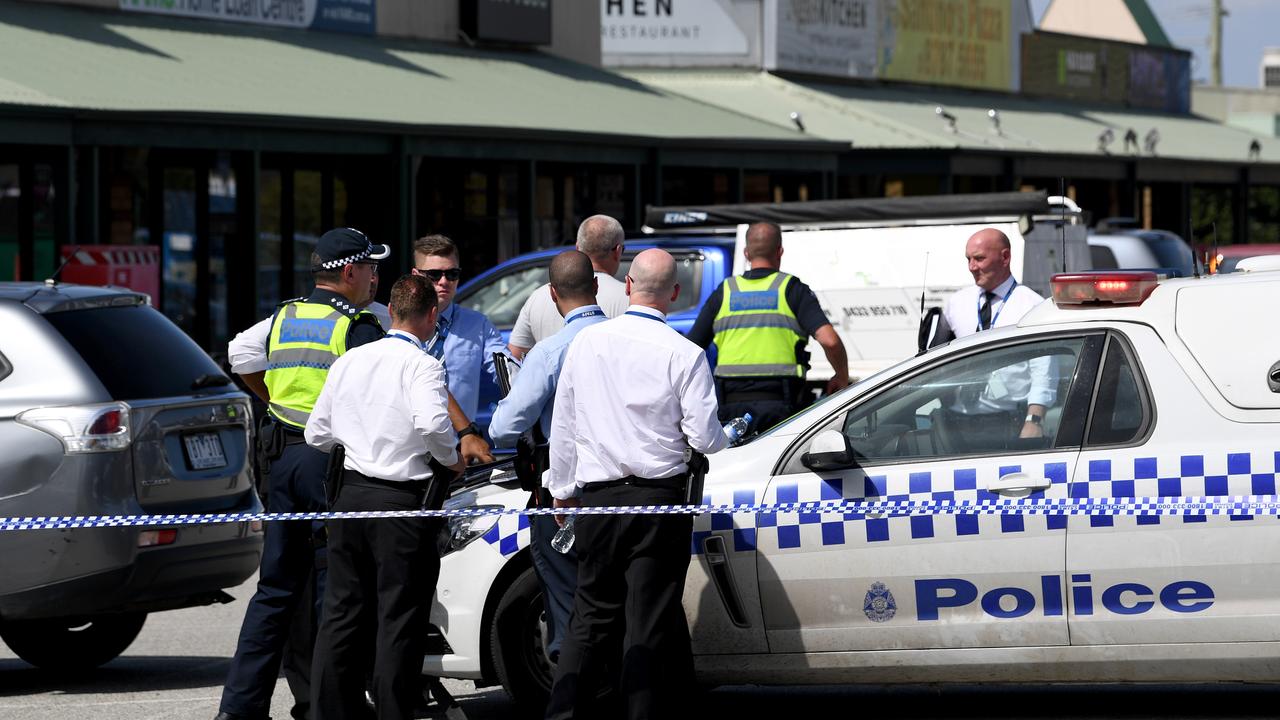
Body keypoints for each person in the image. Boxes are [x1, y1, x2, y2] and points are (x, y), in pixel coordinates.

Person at [544, 249, 728, 720]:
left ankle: (562, 714)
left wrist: (561, 489)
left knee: (589, 619)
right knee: (646, 624)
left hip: (600, 500)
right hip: (657, 502)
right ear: (674, 294)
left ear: (626, 285)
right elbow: (706, 439)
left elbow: (564, 425)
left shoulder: (586, 343)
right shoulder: (685, 353)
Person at [216, 227, 387, 720]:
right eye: (371, 268)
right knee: (335, 589)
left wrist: (275, 403)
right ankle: (330, 705)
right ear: (350, 272)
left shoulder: (285, 315)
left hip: (280, 461)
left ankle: (239, 709)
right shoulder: (356, 327)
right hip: (325, 464)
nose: (376, 278)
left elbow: (239, 356)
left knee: (275, 589)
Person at [305, 273, 465, 720]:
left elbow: (317, 433)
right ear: (432, 315)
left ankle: (328, 712)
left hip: (350, 497)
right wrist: (452, 459)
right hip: (401, 503)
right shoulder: (424, 365)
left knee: (341, 615)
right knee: (399, 619)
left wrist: (359, 437)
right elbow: (434, 425)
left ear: (390, 312)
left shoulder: (351, 361)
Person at [488, 250, 607, 664]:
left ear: (553, 295)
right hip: (631, 492)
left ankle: (574, 695)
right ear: (596, 286)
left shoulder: (549, 353)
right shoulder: (631, 341)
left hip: (563, 496)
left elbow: (503, 428)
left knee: (569, 605)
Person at [687, 221, 849, 432]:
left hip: (731, 409)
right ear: (780, 251)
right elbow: (830, 340)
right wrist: (841, 376)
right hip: (782, 406)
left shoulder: (725, 291)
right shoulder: (792, 290)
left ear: (746, 253)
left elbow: (689, 350)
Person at [940, 228, 1052, 442]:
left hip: (1008, 423)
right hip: (954, 421)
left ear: (1005, 257)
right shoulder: (957, 303)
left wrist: (1034, 421)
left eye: (979, 259)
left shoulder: (1032, 305)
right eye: (968, 259)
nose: (972, 267)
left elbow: (1044, 371)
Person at [411, 234, 508, 463]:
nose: (444, 282)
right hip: (410, 452)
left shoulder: (479, 325)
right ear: (416, 276)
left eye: (452, 274)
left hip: (461, 451)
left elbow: (507, 374)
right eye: (434, 275)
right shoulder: (395, 323)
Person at [507, 215, 630, 360]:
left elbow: (515, 356)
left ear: (578, 247)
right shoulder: (629, 297)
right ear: (618, 250)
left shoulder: (538, 296)